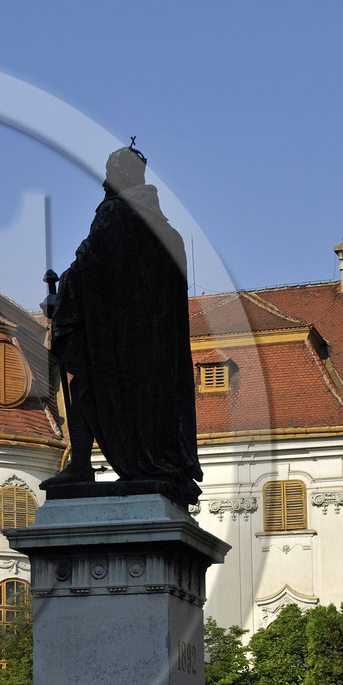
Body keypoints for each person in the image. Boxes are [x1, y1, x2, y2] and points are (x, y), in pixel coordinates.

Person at [40, 145, 202, 505]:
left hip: (116, 341)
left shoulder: (115, 213)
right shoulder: (169, 232)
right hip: (157, 351)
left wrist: (62, 292)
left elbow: (89, 265)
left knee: (85, 388)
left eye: (111, 174)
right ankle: (158, 463)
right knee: (148, 406)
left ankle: (80, 463)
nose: (104, 182)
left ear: (122, 178)